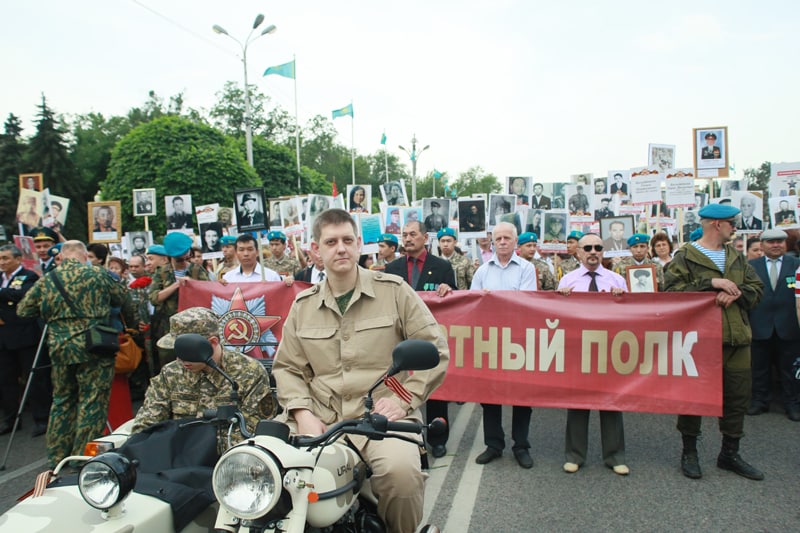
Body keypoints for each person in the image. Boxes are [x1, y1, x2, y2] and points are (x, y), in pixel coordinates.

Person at [273, 208, 449, 533]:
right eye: (331, 242)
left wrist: (404, 398)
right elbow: (287, 368)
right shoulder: (303, 306)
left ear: (358, 245)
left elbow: (435, 349)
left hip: (381, 420)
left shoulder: (393, 291)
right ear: (316, 250)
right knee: (266, 475)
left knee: (402, 476)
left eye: (347, 240)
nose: (340, 248)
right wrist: (301, 412)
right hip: (319, 420)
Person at [663, 203, 764, 481]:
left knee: (737, 398)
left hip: (736, 338)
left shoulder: (737, 257)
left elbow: (756, 290)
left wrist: (736, 293)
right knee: (692, 397)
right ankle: (689, 452)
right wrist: (712, 283)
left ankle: (729, 454)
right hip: (698, 341)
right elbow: (671, 292)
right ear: (716, 225)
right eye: (732, 223)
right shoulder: (686, 256)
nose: (735, 228)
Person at [17, 240, 125, 468]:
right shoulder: (98, 275)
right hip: (94, 344)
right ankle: (81, 457)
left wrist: (52, 314)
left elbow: (23, 310)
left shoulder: (48, 279)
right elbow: (121, 299)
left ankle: (56, 456)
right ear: (84, 255)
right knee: (92, 400)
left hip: (60, 347)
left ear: (62, 257)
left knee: (61, 400)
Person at [131, 307, 275, 449]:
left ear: (212, 343)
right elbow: (146, 426)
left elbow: (253, 433)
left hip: (229, 462)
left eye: (187, 350)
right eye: (177, 349)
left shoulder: (249, 373)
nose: (180, 358)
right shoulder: (170, 373)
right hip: (175, 459)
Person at [557, 233, 629, 475]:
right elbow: (557, 317)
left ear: (603, 252)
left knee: (612, 403)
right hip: (579, 351)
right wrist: (562, 300)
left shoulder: (617, 280)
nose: (593, 251)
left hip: (610, 350)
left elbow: (631, 318)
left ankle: (615, 456)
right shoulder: (567, 281)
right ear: (578, 252)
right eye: (587, 247)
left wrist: (623, 301)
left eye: (598, 247)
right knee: (578, 404)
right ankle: (575, 455)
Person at [385, 220, 455, 459]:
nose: (407, 238)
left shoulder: (442, 267)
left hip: (428, 335)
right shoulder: (392, 268)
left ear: (425, 237)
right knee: (400, 385)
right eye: (404, 235)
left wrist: (449, 289)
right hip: (399, 337)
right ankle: (404, 434)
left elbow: (457, 301)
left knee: (432, 388)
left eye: (412, 234)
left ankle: (438, 438)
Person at [470, 222, 537, 469]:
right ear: (493, 242)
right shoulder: (482, 271)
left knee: (522, 395)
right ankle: (494, 445)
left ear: (515, 242)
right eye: (498, 238)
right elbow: (472, 303)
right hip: (489, 340)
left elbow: (528, 303)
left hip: (519, 339)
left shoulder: (527, 269)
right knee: (490, 395)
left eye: (507, 238)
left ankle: (521, 445)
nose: (502, 242)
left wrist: (494, 300)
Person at [747, 229, 800, 421]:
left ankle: (792, 404)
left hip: (790, 327)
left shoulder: (797, 265)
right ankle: (759, 401)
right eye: (771, 242)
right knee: (759, 369)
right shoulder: (751, 266)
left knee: (790, 371)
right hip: (760, 326)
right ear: (762, 245)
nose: (776, 245)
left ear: (786, 244)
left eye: (780, 241)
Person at [0, 245, 50, 437]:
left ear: (18, 259)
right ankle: (11, 420)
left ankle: (41, 418)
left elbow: (23, 295)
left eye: (6, 258)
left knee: (34, 379)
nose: (2, 262)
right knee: (6, 381)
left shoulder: (29, 276)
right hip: (4, 338)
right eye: (0, 259)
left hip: (25, 336)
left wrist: (3, 294)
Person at [149, 232, 209, 371]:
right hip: (168, 327)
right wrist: (176, 285)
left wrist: (191, 283)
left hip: (194, 327)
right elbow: (154, 298)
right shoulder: (162, 272)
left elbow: (208, 291)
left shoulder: (196, 270)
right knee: (170, 366)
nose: (182, 261)